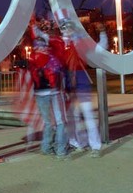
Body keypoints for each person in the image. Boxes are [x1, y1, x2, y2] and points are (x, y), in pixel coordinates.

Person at [55, 10, 108, 158]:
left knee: (88, 115)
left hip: (81, 82)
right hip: (67, 85)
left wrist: (103, 33)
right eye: (63, 28)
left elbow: (100, 48)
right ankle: (77, 143)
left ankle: (95, 146)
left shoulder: (81, 43)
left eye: (68, 27)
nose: (66, 30)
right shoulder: (60, 45)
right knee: (72, 117)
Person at [28, 32, 68, 158]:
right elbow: (59, 70)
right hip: (53, 92)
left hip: (40, 94)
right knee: (60, 121)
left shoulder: (32, 59)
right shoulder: (51, 59)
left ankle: (46, 147)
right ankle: (60, 150)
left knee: (47, 122)